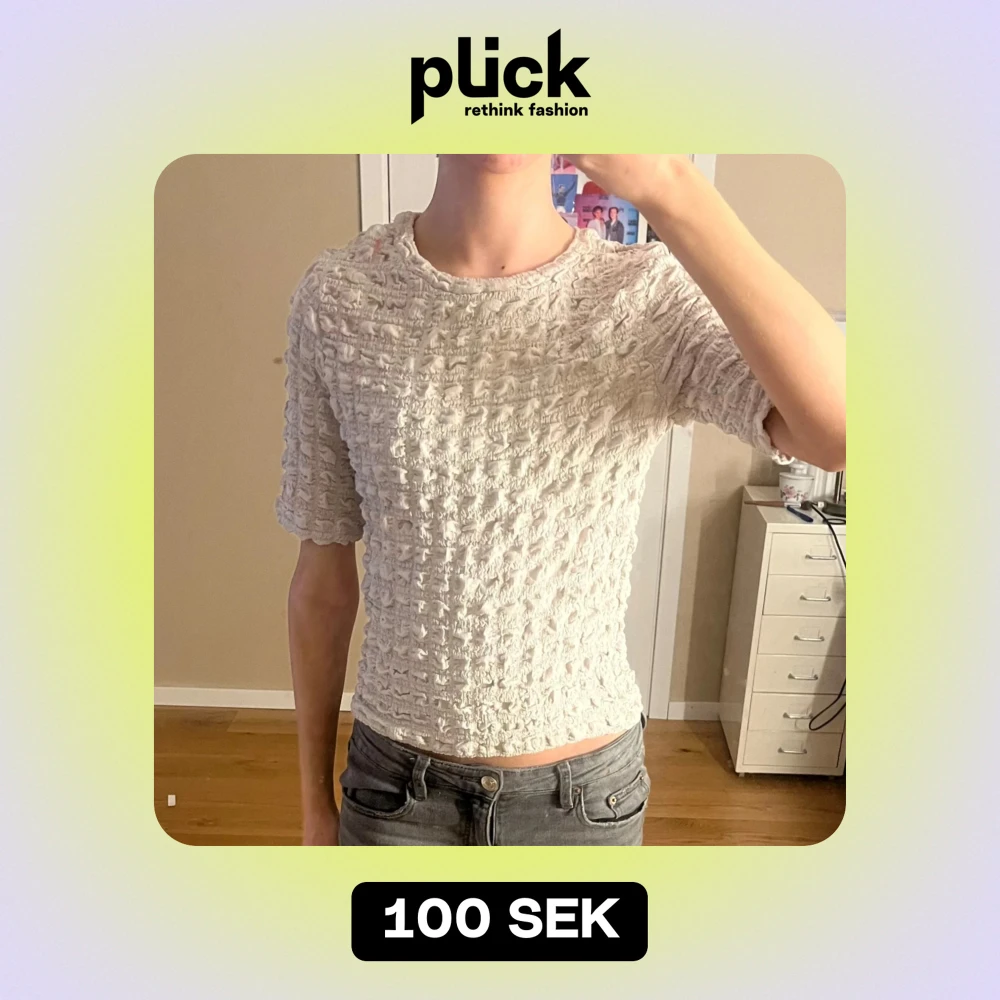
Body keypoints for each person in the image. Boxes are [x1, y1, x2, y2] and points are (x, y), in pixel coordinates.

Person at [276, 154, 846, 847]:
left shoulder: (642, 297)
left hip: (581, 806)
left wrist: (670, 186)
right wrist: (312, 805)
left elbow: (839, 432)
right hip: (395, 797)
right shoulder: (339, 298)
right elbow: (322, 583)